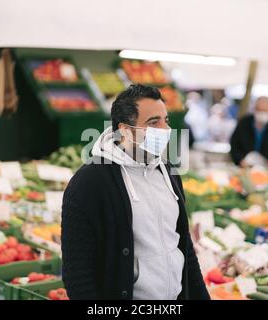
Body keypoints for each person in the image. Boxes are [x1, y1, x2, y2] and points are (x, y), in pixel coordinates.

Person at [61, 84, 209, 300]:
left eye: (165, 120)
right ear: (124, 130)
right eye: (153, 122)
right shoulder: (89, 182)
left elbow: (183, 245)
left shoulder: (168, 172)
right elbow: (77, 272)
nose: (165, 129)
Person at [229, 96, 268, 167]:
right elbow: (234, 144)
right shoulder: (244, 123)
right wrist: (240, 160)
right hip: (245, 167)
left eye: (265, 110)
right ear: (254, 109)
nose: (262, 113)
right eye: (259, 110)